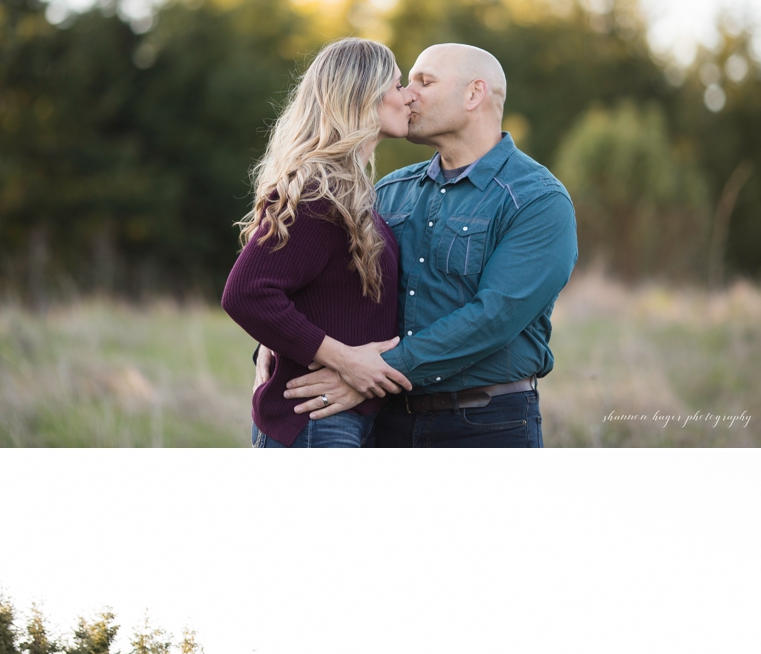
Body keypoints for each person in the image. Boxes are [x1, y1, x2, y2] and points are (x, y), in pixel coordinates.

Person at [277, 42, 579, 447]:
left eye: (425, 81)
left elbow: (494, 318)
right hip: (383, 423)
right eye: (408, 81)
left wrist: (372, 374)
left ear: (474, 94)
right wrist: (276, 344)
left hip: (486, 426)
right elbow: (321, 282)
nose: (407, 93)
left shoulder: (537, 200)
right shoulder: (388, 190)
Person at [222, 37, 414, 447]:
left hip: (344, 418)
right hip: (316, 422)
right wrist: (347, 361)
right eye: (398, 86)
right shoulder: (317, 195)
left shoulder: (350, 194)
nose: (408, 97)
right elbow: (246, 293)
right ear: (366, 97)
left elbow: (312, 293)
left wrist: (277, 342)